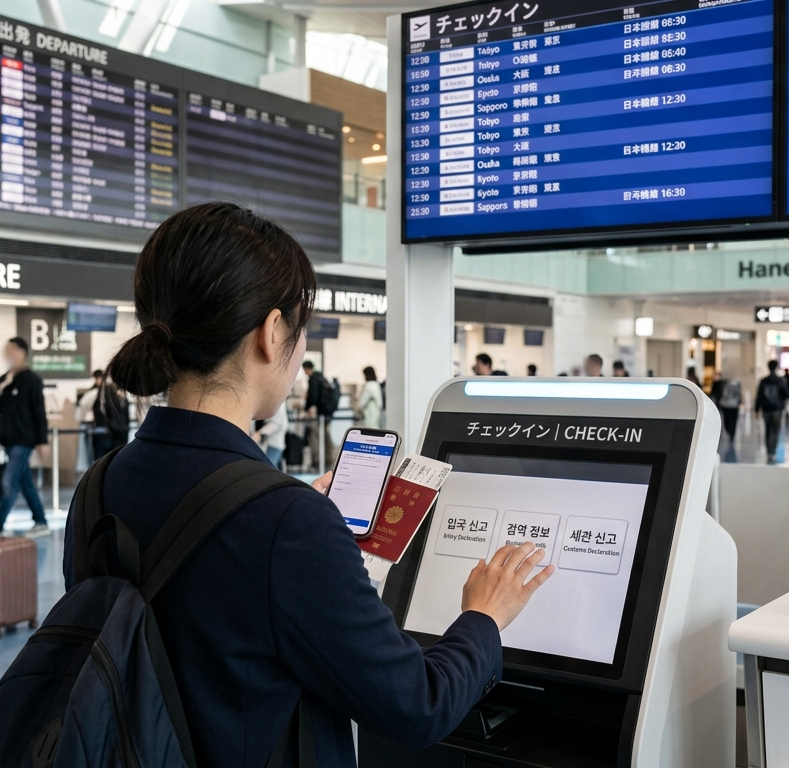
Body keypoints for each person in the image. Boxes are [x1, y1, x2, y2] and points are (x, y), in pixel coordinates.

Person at [65, 202, 552, 766]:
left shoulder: (99, 485)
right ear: (272, 333)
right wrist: (484, 617)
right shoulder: (286, 523)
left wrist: (292, 514)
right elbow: (419, 704)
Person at [0, 337, 50, 536]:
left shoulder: (32, 380)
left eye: (11, 351)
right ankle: (41, 521)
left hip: (24, 439)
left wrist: (42, 440)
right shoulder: (5, 378)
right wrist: (2, 387)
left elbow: (39, 411)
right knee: (25, 483)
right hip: (8, 439)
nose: (7, 355)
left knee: (9, 482)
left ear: (22, 353)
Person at [756, 360, 789, 464]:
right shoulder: (780, 381)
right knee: (776, 430)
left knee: (767, 430)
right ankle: (773, 452)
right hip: (777, 409)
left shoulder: (764, 381)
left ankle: (768, 451)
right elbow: (787, 394)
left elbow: (759, 396)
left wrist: (757, 409)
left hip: (766, 409)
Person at [303, 360, 337, 463]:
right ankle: (329, 458)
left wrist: (312, 407)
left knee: (316, 436)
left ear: (307, 369)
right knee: (325, 435)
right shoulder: (322, 377)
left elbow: (313, 396)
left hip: (317, 413)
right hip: (326, 412)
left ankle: (317, 460)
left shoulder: (313, 379)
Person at [254, 397, 289, 468]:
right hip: (266, 443)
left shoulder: (278, 399)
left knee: (267, 468)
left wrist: (260, 433)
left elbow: (276, 423)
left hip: (274, 443)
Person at [711, 371, 742, 445]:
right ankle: (731, 433)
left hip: (732, 406)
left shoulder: (734, 385)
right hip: (726, 405)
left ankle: (732, 434)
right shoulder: (721, 384)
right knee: (728, 421)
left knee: (732, 421)